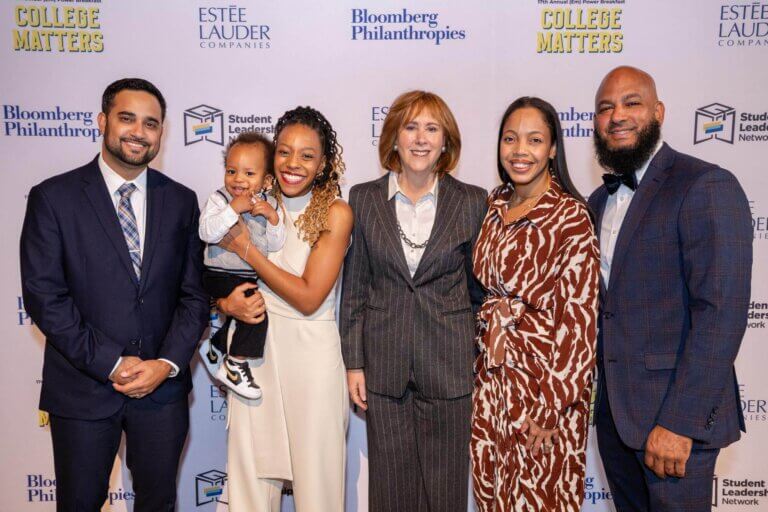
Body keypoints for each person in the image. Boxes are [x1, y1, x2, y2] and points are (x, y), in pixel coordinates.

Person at [19, 78, 209, 511]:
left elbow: (194, 296)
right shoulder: (54, 197)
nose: (138, 132)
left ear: (162, 133)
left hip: (162, 393)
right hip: (83, 390)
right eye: (127, 119)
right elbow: (45, 297)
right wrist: (112, 363)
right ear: (103, 121)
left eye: (151, 123)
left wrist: (166, 364)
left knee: (158, 503)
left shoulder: (181, 201)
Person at [589, 66, 752, 511]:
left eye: (631, 103)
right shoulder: (598, 201)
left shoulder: (704, 184)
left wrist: (680, 423)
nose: (617, 115)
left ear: (658, 111)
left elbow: (721, 314)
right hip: (618, 423)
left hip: (675, 424)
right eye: (605, 108)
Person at [340, 90, 487, 512]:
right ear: (394, 138)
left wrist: (474, 358)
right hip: (383, 370)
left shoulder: (473, 201)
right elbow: (356, 288)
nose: (420, 139)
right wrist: (354, 362)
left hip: (450, 370)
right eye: (410, 127)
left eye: (431, 128)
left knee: (445, 496)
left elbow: (479, 292)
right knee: (389, 496)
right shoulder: (364, 198)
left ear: (446, 142)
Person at [215, 106, 353, 511]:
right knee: (249, 485)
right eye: (285, 152)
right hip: (254, 355)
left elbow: (309, 296)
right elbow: (213, 272)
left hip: (312, 360)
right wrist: (226, 303)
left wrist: (247, 250)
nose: (293, 164)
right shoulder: (250, 203)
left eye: (307, 156)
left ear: (324, 163)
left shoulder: (335, 213)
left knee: (318, 487)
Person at [471, 96, 599, 511]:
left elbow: (579, 320)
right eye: (510, 139)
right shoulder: (493, 205)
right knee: (493, 496)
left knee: (540, 499)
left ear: (553, 149)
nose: (520, 151)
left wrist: (551, 405)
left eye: (534, 139)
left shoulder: (570, 217)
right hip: (490, 386)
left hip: (544, 391)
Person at [199, 131, 285, 400]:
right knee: (255, 312)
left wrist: (273, 219)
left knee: (249, 312)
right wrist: (232, 210)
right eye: (232, 170)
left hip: (246, 274)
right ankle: (234, 365)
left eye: (249, 173)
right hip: (218, 273)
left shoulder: (270, 204)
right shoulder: (219, 199)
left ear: (267, 179)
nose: (238, 179)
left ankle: (215, 347)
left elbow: (275, 244)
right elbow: (207, 232)